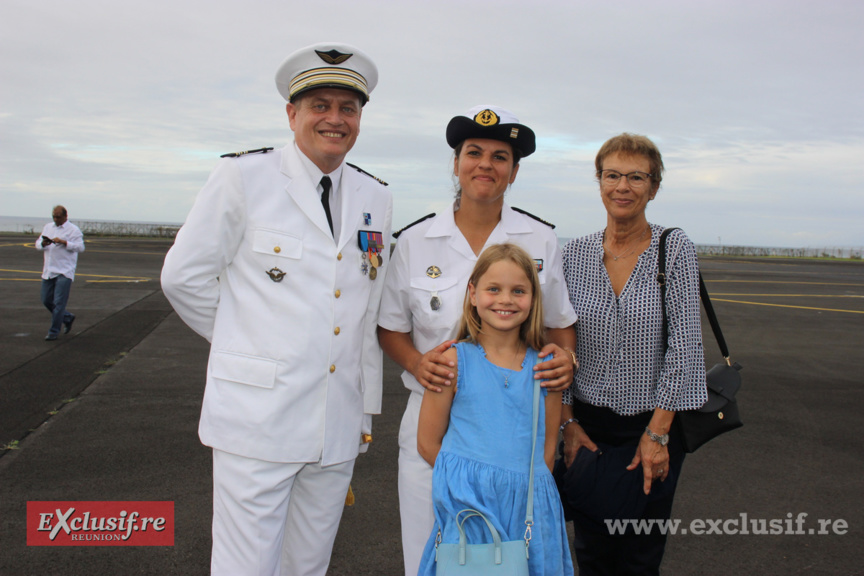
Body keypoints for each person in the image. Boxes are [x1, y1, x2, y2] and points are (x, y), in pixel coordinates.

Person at [160, 42, 392, 576]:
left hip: (335, 420)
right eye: (320, 106)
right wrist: (249, 344)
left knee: (309, 565)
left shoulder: (374, 195)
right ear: (292, 114)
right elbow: (183, 277)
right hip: (256, 419)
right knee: (246, 566)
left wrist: (364, 410)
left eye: (348, 108)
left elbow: (363, 305)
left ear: (360, 118)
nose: (335, 119)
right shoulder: (243, 177)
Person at [377, 105, 577, 575]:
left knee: (510, 559)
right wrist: (416, 362)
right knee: (432, 557)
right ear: (455, 163)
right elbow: (390, 326)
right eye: (474, 152)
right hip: (433, 422)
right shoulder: (414, 240)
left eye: (500, 156)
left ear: (514, 171)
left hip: (510, 431)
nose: (485, 164)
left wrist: (565, 359)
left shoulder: (541, 239)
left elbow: (560, 322)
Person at [559, 133, 707, 575]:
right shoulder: (574, 254)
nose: (622, 186)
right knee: (590, 549)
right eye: (612, 175)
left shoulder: (673, 249)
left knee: (639, 553)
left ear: (654, 187)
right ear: (599, 181)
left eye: (636, 177)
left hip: (652, 424)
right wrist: (567, 423)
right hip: (589, 427)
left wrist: (658, 435)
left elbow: (686, 347)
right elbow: (560, 344)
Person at [416, 243, 574, 575]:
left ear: (533, 300)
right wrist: (467, 485)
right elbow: (428, 443)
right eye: (493, 289)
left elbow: (547, 453)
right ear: (473, 294)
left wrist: (519, 490)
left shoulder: (546, 367)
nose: (505, 299)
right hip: (470, 508)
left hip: (530, 509)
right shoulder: (452, 362)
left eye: (518, 290)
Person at [36, 205, 84, 341]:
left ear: (65, 216)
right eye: (54, 216)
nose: (56, 219)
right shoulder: (48, 227)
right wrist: (43, 244)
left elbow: (80, 247)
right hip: (49, 270)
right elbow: (38, 243)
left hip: (64, 271)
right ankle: (67, 317)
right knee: (46, 300)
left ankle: (53, 331)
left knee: (59, 303)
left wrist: (64, 242)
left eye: (58, 217)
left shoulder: (73, 230)